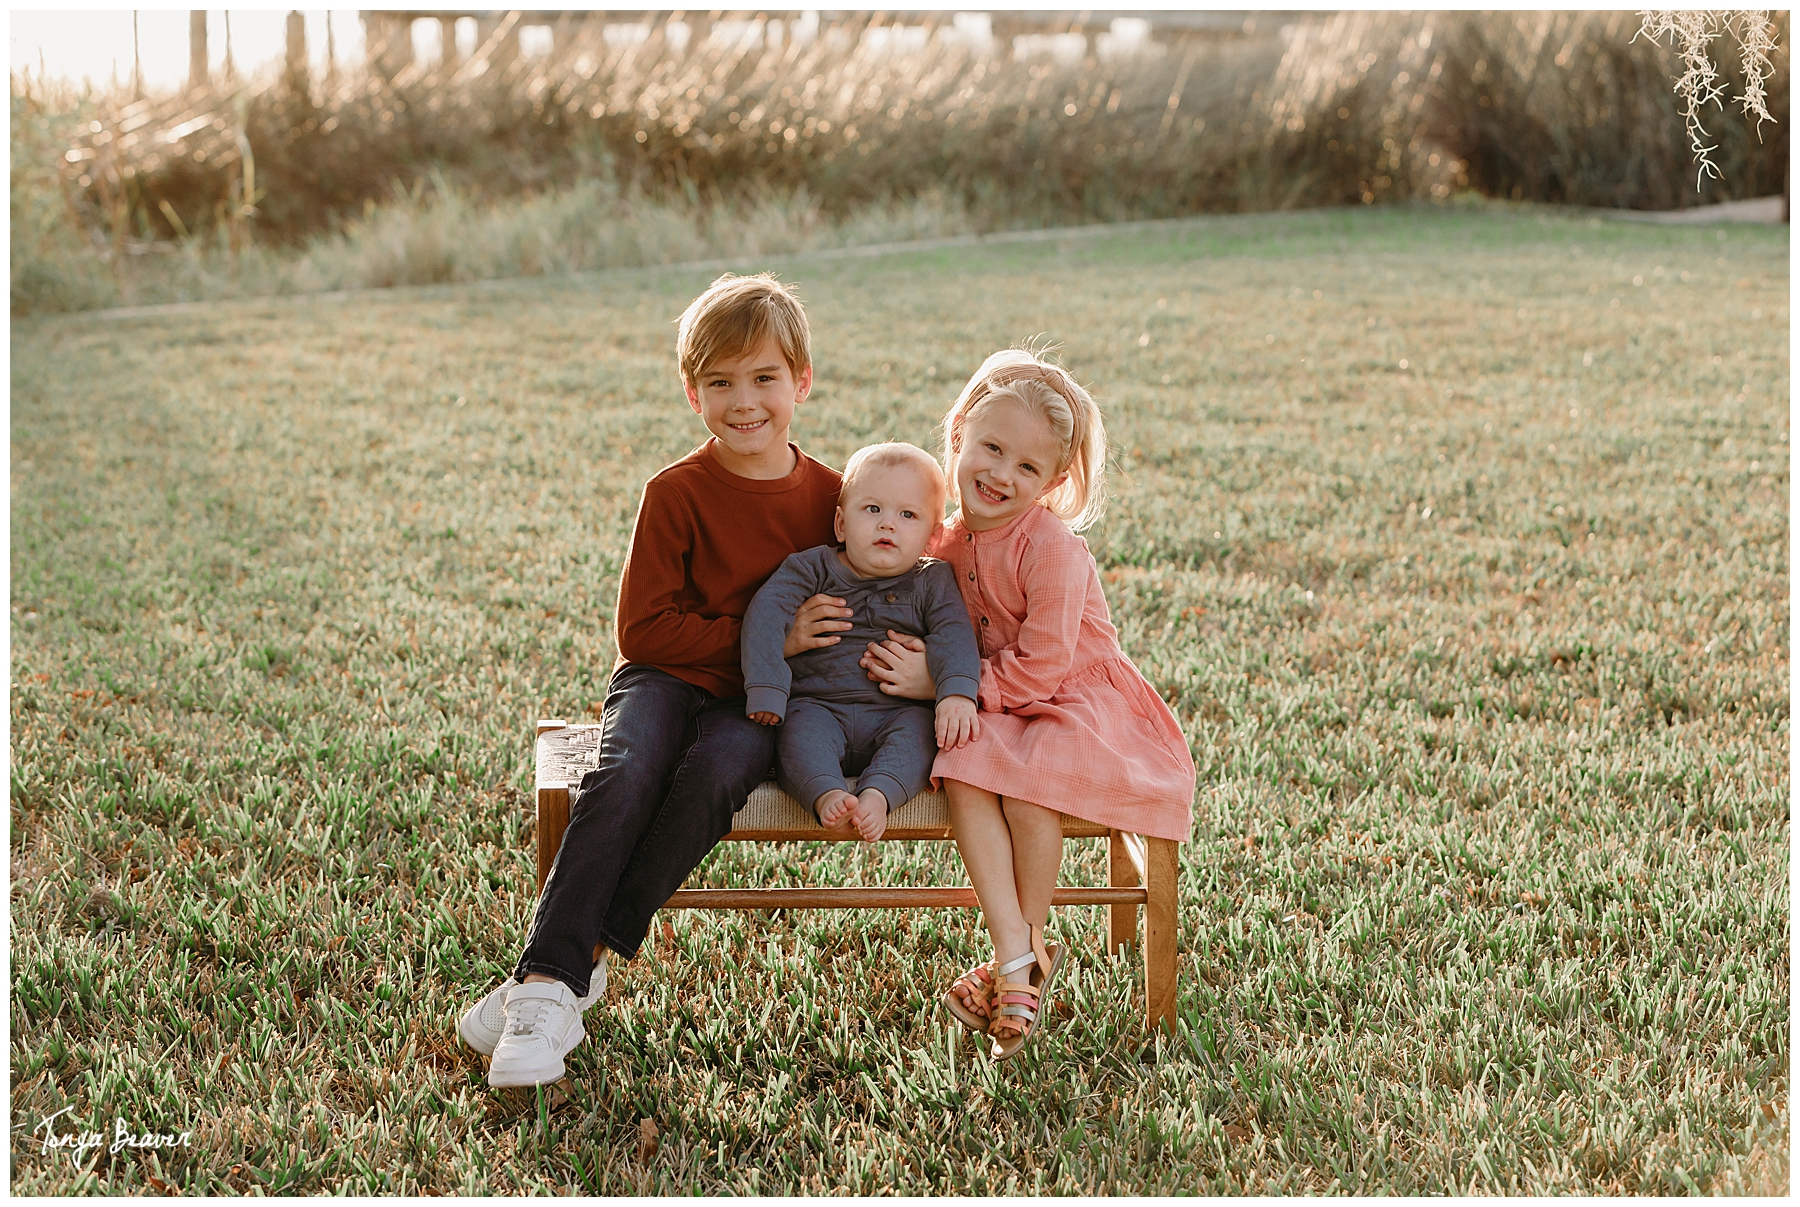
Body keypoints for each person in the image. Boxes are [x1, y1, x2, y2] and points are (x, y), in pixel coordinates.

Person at [457, 272, 858, 1088]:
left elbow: (861, 601)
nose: (744, 401)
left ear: (802, 382)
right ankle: (546, 984)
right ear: (692, 393)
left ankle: (573, 963)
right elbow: (645, 629)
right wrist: (768, 635)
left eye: (764, 378)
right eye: (720, 382)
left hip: (759, 696)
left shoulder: (831, 498)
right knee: (627, 767)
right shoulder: (674, 493)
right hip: (663, 675)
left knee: (717, 772)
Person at [863, 349, 1196, 1060]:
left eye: (1027, 468)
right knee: (964, 765)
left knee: (1029, 783)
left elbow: (1045, 665)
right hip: (1000, 703)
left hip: (1075, 701)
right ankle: (1021, 954)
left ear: (1053, 483)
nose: (1000, 474)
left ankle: (1023, 953)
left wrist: (943, 685)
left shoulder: (1051, 546)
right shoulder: (942, 542)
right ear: (957, 433)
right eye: (990, 448)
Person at [741, 443, 982, 842]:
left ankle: (878, 794)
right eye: (873, 509)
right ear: (840, 524)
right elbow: (765, 616)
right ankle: (825, 794)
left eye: (907, 515)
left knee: (921, 737)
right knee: (796, 738)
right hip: (818, 705)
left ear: (932, 537)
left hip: (898, 712)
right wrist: (766, 686)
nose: (888, 524)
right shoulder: (810, 568)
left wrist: (956, 693)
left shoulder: (932, 580)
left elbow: (953, 636)